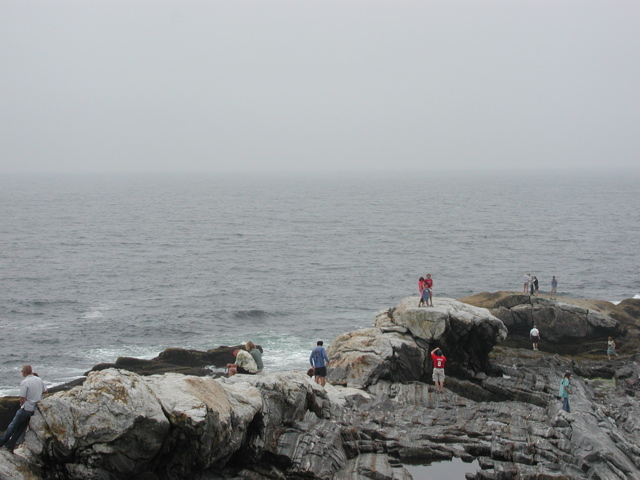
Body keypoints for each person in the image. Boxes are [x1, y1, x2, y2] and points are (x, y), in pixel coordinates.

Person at [0, 365, 47, 451]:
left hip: (26, 408)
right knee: (21, 429)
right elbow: (45, 391)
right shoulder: (39, 380)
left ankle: (1, 442)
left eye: (22, 371)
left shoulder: (25, 382)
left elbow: (22, 399)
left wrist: (21, 406)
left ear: (24, 372)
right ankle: (9, 445)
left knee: (12, 426)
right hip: (35, 410)